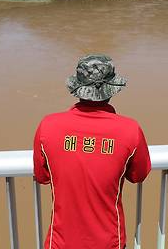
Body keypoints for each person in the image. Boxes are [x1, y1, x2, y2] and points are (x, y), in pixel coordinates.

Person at [33, 54, 151, 249]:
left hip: (61, 242)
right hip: (109, 242)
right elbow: (138, 175)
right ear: (111, 90)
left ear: (77, 88)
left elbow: (43, 177)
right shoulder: (130, 130)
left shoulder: (48, 126)